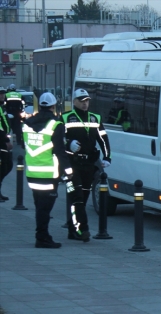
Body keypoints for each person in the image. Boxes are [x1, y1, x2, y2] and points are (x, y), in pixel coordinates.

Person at [22, 92, 74, 248]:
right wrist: (69, 171)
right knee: (45, 209)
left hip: (32, 173)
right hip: (49, 174)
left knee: (40, 206)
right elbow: (60, 151)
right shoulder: (55, 125)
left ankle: (42, 235)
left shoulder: (27, 123)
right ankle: (42, 237)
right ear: (53, 106)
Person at [62, 88, 112, 242]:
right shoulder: (65, 117)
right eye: (81, 101)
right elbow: (57, 139)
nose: (85, 104)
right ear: (74, 101)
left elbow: (103, 139)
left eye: (87, 101)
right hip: (72, 164)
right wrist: (68, 143)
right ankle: (82, 229)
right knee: (76, 197)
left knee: (82, 198)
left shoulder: (95, 118)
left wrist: (107, 157)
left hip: (89, 164)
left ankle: (72, 229)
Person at [0, 86, 13, 201]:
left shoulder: (2, 106)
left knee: (7, 166)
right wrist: (6, 140)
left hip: (3, 140)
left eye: (3, 93)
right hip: (1, 141)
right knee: (4, 167)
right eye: (0, 94)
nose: (2, 95)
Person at [5, 83, 26, 149]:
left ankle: (7, 140)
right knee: (18, 128)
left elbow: (4, 104)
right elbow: (23, 103)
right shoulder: (19, 95)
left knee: (8, 126)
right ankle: (19, 141)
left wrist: (5, 110)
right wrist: (22, 110)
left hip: (9, 112)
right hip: (17, 113)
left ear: (10, 89)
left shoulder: (7, 95)